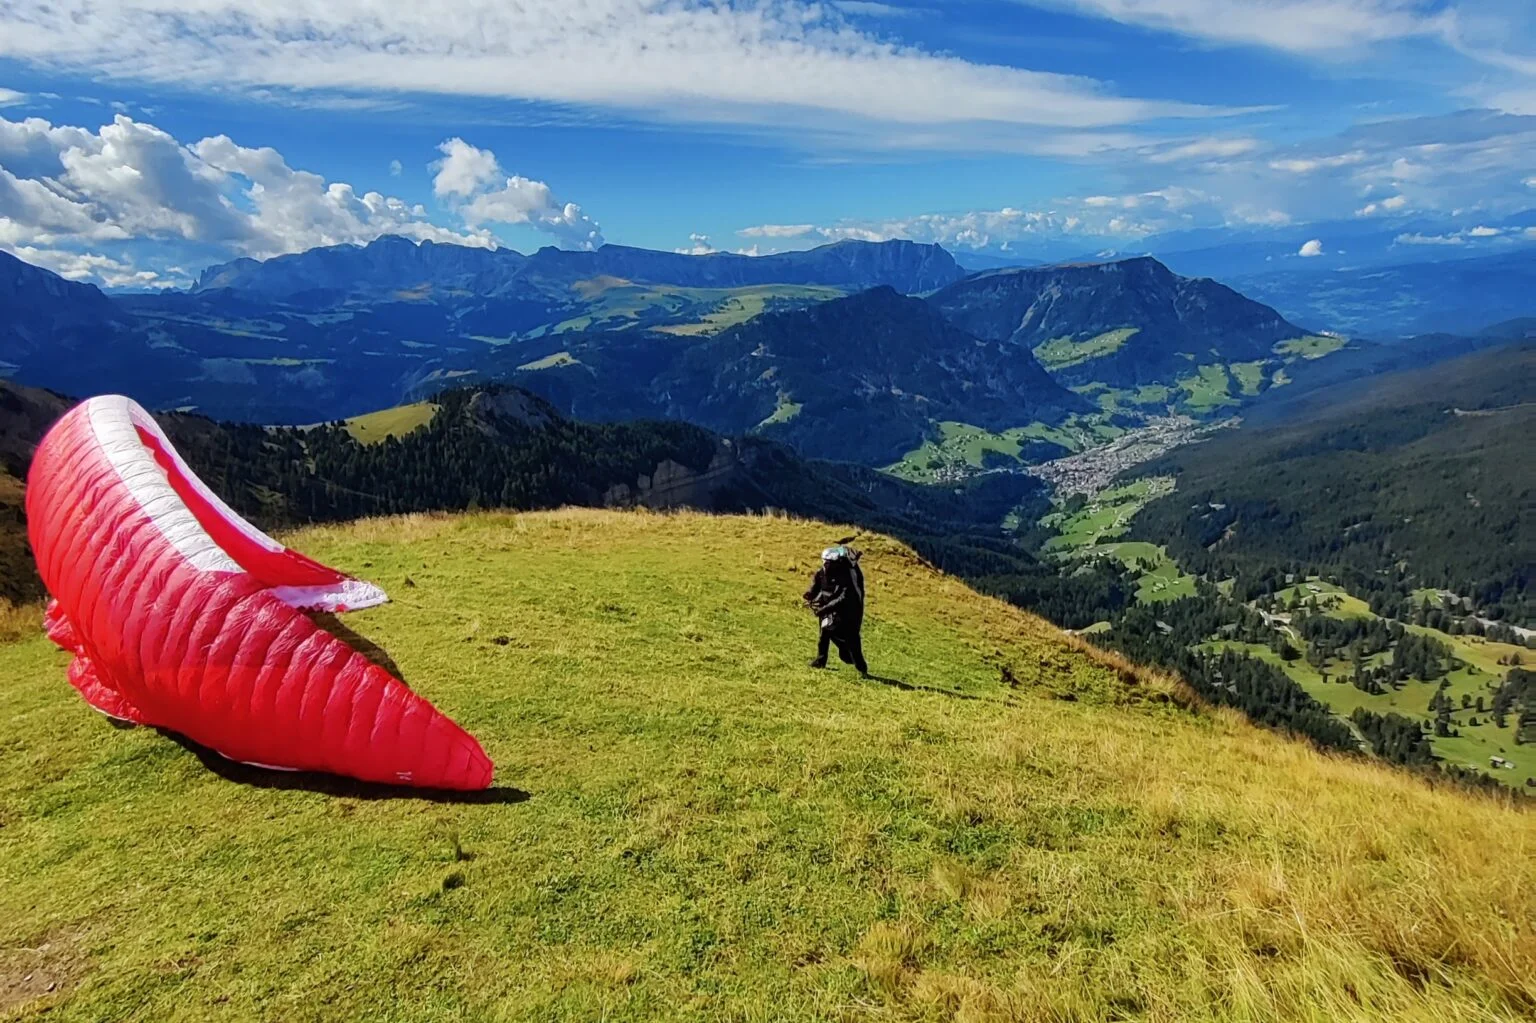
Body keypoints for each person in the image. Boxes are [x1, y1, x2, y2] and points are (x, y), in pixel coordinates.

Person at [804, 545, 868, 676]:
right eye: (825, 562)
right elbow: (818, 585)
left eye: (829, 563)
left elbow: (842, 599)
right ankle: (821, 660)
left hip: (847, 613)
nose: (826, 565)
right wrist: (810, 594)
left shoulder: (845, 576)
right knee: (824, 634)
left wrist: (823, 609)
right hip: (828, 609)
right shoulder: (822, 573)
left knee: (851, 640)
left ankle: (861, 667)